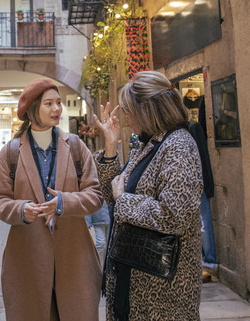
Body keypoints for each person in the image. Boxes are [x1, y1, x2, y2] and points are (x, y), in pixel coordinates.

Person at [93, 70, 203, 320]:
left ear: (148, 110)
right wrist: (110, 148)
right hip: (131, 280)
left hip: (161, 294)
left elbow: (173, 216)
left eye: (130, 110)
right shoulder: (149, 143)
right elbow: (114, 198)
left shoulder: (179, 147)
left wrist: (124, 199)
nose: (128, 117)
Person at [0, 78, 103, 321]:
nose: (57, 109)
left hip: (74, 257)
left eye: (59, 103)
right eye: (49, 103)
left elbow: (95, 196)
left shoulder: (75, 147)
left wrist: (64, 203)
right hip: (27, 260)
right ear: (32, 110)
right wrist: (21, 209)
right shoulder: (10, 153)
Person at [187, 120, 218, 282]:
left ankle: (208, 263)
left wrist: (206, 185)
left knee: (203, 220)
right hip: (184, 185)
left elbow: (202, 159)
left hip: (195, 183)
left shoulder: (191, 128)